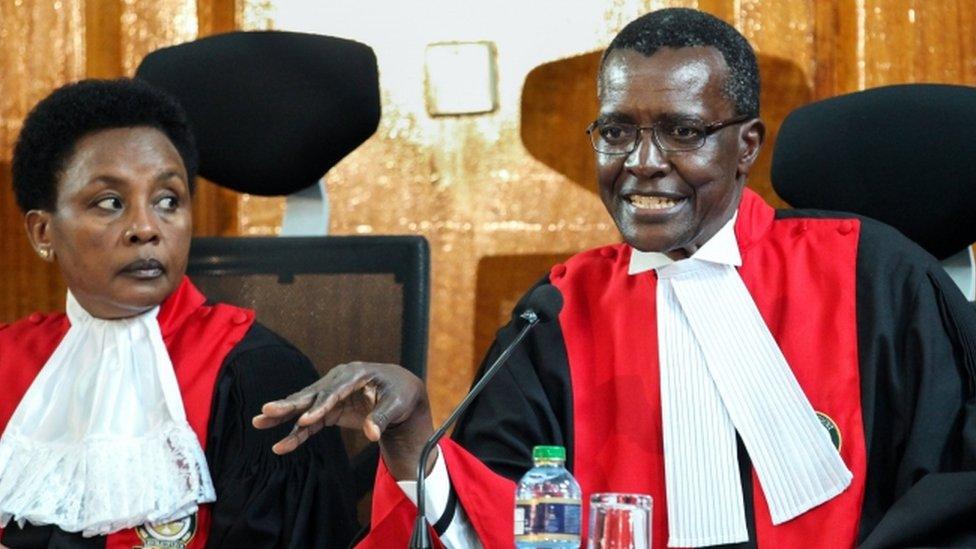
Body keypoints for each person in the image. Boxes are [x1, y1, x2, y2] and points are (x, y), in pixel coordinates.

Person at [255, 8, 976, 549]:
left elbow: (955, 494)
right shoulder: (560, 312)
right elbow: (499, 517)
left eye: (683, 131)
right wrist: (412, 432)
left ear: (745, 145)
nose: (642, 161)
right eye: (617, 130)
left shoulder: (875, 274)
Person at [0, 79, 357, 548]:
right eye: (109, 203)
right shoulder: (7, 361)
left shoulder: (259, 377)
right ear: (43, 231)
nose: (146, 228)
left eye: (168, 200)